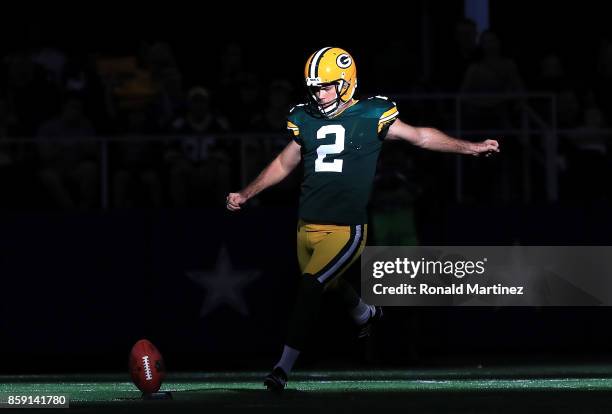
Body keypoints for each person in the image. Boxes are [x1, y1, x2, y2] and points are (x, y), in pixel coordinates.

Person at [226, 47, 500, 392]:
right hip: (305, 226)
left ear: (346, 82)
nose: (318, 94)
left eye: (325, 86)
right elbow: (285, 162)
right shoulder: (305, 117)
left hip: (346, 230)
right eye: (315, 87)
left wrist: (470, 147)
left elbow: (421, 136)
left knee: (311, 286)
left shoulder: (372, 113)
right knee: (330, 281)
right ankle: (363, 312)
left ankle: (282, 368)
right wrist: (248, 192)